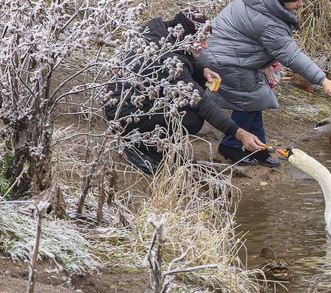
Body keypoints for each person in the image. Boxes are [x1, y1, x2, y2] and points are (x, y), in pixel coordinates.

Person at [198, 0, 331, 167]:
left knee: (254, 99)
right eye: (296, 0)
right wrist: (322, 80)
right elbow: (291, 54)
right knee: (250, 99)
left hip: (223, 53)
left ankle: (259, 149)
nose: (301, 4)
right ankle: (231, 146)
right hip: (223, 60)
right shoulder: (266, 20)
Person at [105, 10, 268, 174]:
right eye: (201, 40)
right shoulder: (166, 62)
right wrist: (239, 134)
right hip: (123, 116)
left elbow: (180, 57)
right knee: (191, 119)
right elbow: (202, 103)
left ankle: (156, 144)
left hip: (133, 101)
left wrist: (201, 69)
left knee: (193, 89)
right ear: (186, 36)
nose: (205, 46)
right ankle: (139, 146)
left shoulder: (160, 30)